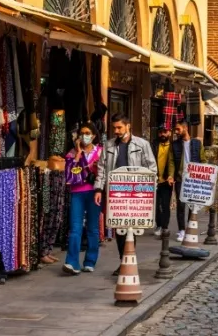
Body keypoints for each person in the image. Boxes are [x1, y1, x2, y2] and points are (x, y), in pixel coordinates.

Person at [93, 113, 157, 276]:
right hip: (116, 193)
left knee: (132, 228)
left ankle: (128, 261)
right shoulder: (108, 146)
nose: (117, 130)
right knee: (120, 229)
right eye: (114, 127)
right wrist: (98, 189)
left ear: (128, 126)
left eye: (119, 127)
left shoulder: (142, 144)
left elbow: (152, 168)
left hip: (136, 192)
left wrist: (149, 189)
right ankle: (124, 261)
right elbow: (101, 168)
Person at [63, 122, 102, 275]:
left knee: (92, 228)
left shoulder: (100, 152)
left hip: (94, 192)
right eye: (82, 133)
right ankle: (72, 262)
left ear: (93, 135)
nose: (85, 136)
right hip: (77, 193)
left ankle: (90, 261)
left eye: (88, 133)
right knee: (75, 228)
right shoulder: (72, 153)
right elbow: (70, 172)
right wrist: (78, 153)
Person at [171, 120, 205, 242]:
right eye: (175, 129)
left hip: (194, 180)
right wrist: (171, 175)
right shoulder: (174, 144)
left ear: (185, 128)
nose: (176, 132)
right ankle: (181, 230)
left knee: (192, 205)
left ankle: (190, 227)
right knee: (180, 205)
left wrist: (204, 176)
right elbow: (171, 161)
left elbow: (203, 159)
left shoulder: (197, 143)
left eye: (178, 129)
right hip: (181, 178)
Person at [152, 126, 175, 238]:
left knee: (165, 205)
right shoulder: (154, 145)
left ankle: (165, 226)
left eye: (165, 132)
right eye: (160, 132)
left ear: (169, 133)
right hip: (155, 180)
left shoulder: (173, 146)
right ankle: (159, 225)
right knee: (156, 205)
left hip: (167, 180)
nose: (162, 134)